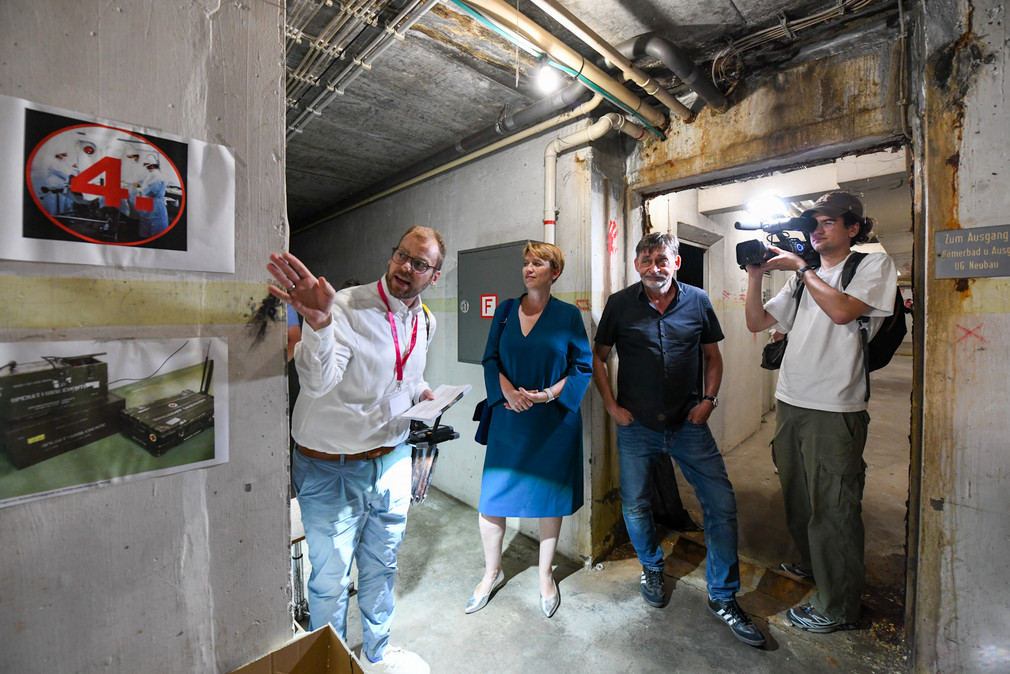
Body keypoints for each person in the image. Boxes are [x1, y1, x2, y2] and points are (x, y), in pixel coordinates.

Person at [267, 226, 446, 674]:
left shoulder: (424, 319)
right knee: (329, 581)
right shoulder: (345, 307)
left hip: (392, 461)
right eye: (401, 256)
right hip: (332, 469)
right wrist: (319, 324)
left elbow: (407, 376)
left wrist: (423, 394)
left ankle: (377, 655)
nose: (405, 267)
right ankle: (329, 665)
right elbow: (317, 381)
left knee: (382, 567)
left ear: (434, 276)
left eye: (419, 263)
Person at [592, 232, 765, 648]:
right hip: (636, 426)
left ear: (676, 263)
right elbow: (598, 357)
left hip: (690, 424)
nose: (655, 267)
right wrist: (612, 407)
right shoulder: (619, 304)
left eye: (663, 260)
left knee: (721, 505)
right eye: (647, 260)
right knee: (636, 503)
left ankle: (722, 596)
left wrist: (709, 400)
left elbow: (712, 356)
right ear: (637, 265)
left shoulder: (699, 301)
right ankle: (651, 565)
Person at [744, 191, 896, 633]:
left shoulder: (870, 265)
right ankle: (814, 566)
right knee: (799, 500)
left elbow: (844, 311)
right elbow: (757, 323)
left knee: (834, 510)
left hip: (836, 406)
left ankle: (838, 607)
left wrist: (803, 267)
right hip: (792, 401)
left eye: (828, 221)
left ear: (853, 227)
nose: (817, 228)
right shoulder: (799, 278)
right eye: (814, 222)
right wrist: (755, 276)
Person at [466, 241, 593, 618]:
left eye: (538, 263)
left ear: (554, 272)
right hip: (509, 419)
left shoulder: (569, 315)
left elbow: (582, 367)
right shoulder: (505, 311)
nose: (529, 268)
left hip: (553, 423)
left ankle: (544, 576)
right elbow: (490, 357)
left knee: (548, 500)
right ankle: (491, 573)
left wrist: (550, 395)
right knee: (492, 500)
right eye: (526, 262)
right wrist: (506, 390)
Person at [135, 154, 168, 238]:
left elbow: (153, 191)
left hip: (155, 205)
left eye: (147, 165)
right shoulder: (151, 174)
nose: (146, 167)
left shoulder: (156, 175)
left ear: (152, 165)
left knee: (155, 226)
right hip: (149, 205)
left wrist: (141, 189)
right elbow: (147, 185)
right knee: (146, 223)